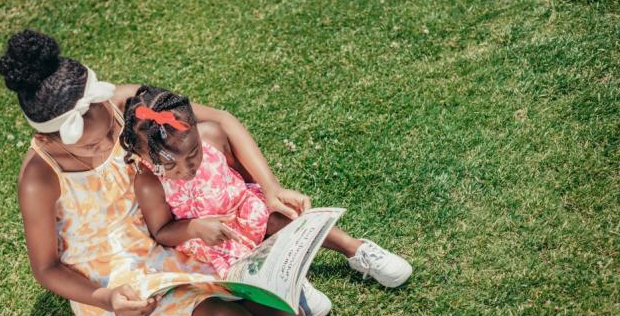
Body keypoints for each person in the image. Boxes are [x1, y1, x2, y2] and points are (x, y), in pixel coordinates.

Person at [0, 29, 475, 316]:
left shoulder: (125, 105)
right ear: (51, 135)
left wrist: (268, 189)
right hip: (118, 291)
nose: (105, 148)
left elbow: (218, 120)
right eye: (89, 147)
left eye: (108, 134)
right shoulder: (40, 177)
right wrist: (107, 298)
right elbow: (47, 270)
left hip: (174, 252)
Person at [119, 84, 413, 290]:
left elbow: (235, 162)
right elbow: (162, 232)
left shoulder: (211, 136)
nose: (188, 168)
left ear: (197, 129)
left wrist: (271, 189)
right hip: (214, 241)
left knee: (282, 217)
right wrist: (196, 228)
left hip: (244, 208)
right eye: (171, 166)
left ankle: (355, 249)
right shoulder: (148, 184)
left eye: (194, 154)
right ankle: (288, 283)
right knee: (245, 273)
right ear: (143, 156)